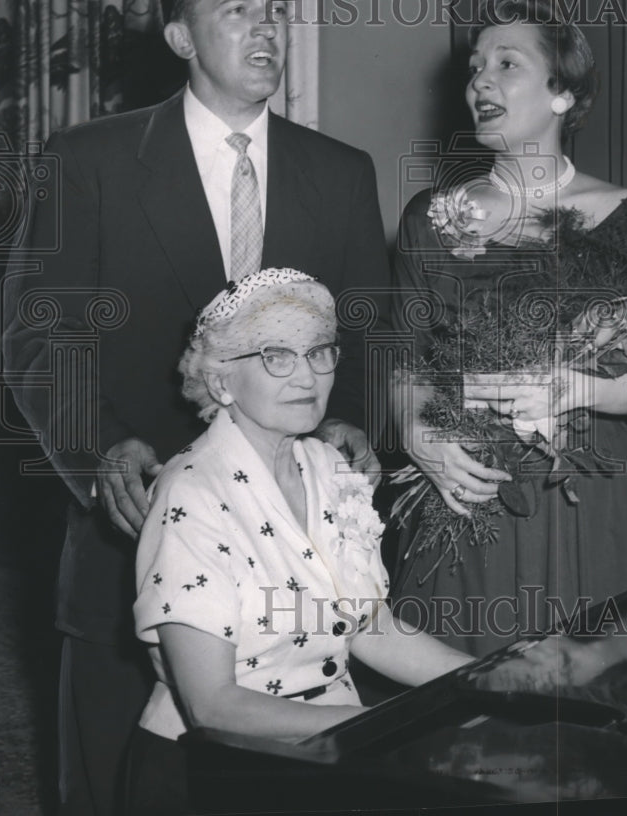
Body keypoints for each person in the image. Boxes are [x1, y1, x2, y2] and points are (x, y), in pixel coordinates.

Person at [3, 0, 390, 815]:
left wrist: (352, 420)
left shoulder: (341, 171)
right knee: (109, 784)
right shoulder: (86, 159)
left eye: (276, 9)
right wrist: (97, 449)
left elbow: (369, 335)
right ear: (180, 35)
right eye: (237, 9)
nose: (266, 27)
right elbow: (40, 336)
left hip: (294, 546)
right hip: (130, 535)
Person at [388, 0, 627, 657]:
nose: (479, 80)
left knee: (595, 706)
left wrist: (577, 388)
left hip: (586, 499)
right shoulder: (429, 215)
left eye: (506, 63)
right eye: (475, 66)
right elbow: (407, 358)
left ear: (562, 94)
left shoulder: (625, 213)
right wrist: (416, 433)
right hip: (465, 488)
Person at [127, 269, 472, 814]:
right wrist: (391, 728)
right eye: (275, 356)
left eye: (318, 352)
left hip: (332, 750)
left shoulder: (329, 465)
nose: (307, 377)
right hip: (217, 770)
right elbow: (211, 705)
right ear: (221, 382)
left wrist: (485, 679)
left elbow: (369, 628)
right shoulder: (191, 493)